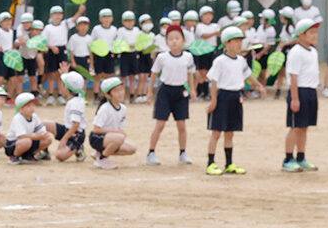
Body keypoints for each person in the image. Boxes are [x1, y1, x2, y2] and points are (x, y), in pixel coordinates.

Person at [205, 26, 257, 174]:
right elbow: (213, 82)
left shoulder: (241, 60)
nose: (239, 45)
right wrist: (213, 101)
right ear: (226, 43)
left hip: (236, 97)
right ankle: (211, 163)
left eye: (240, 41)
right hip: (223, 97)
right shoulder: (220, 61)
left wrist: (259, 85)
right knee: (216, 132)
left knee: (230, 133)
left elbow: (248, 75)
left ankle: (229, 163)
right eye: (235, 41)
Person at [146, 25, 196, 165]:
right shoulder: (162, 57)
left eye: (177, 38)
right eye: (170, 39)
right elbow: (154, 74)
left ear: (183, 40)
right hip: (165, 92)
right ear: (166, 41)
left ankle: (183, 153)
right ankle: (151, 153)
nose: (174, 41)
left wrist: (192, 89)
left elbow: (190, 74)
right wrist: (150, 91)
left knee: (181, 125)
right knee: (160, 124)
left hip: (181, 92)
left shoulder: (188, 56)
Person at [284, 17, 320, 172]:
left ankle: (301, 157)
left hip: (311, 91)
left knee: (304, 127)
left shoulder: (313, 51)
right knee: (295, 127)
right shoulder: (296, 52)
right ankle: (287, 159)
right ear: (301, 35)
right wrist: (295, 99)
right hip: (299, 91)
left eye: (316, 32)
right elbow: (293, 76)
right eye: (311, 32)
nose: (315, 35)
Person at [90, 76, 135, 168]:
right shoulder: (105, 108)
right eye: (116, 91)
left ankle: (100, 153)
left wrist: (118, 133)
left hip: (109, 138)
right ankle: (102, 159)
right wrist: (116, 133)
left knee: (132, 149)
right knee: (120, 138)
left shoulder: (123, 108)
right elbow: (96, 129)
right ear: (108, 95)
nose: (121, 93)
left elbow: (118, 126)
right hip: (97, 138)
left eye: (121, 89)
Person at [3, 92, 51, 162]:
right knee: (26, 141)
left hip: (28, 141)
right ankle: (14, 156)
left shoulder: (34, 116)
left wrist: (44, 134)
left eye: (33, 105)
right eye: (28, 106)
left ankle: (28, 155)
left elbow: (40, 129)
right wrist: (38, 137)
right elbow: (22, 136)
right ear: (20, 109)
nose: (32, 108)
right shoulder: (18, 118)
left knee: (48, 138)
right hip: (13, 144)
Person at [52, 70, 88, 162]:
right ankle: (43, 152)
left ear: (67, 88)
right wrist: (64, 72)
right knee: (43, 125)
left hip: (75, 134)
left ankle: (78, 147)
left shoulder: (75, 103)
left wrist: (64, 139)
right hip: (68, 130)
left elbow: (76, 125)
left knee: (60, 156)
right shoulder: (76, 96)